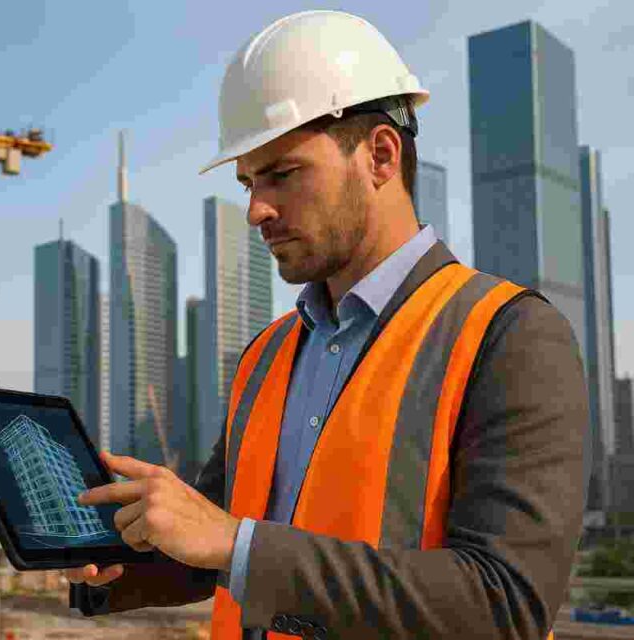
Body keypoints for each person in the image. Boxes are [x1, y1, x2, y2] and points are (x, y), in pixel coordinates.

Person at [67, 10, 589, 639]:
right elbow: (208, 549)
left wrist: (235, 544)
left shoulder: (508, 337)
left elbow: (503, 603)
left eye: (282, 173)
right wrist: (107, 564)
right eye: (248, 182)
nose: (257, 209)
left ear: (381, 156)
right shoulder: (265, 356)